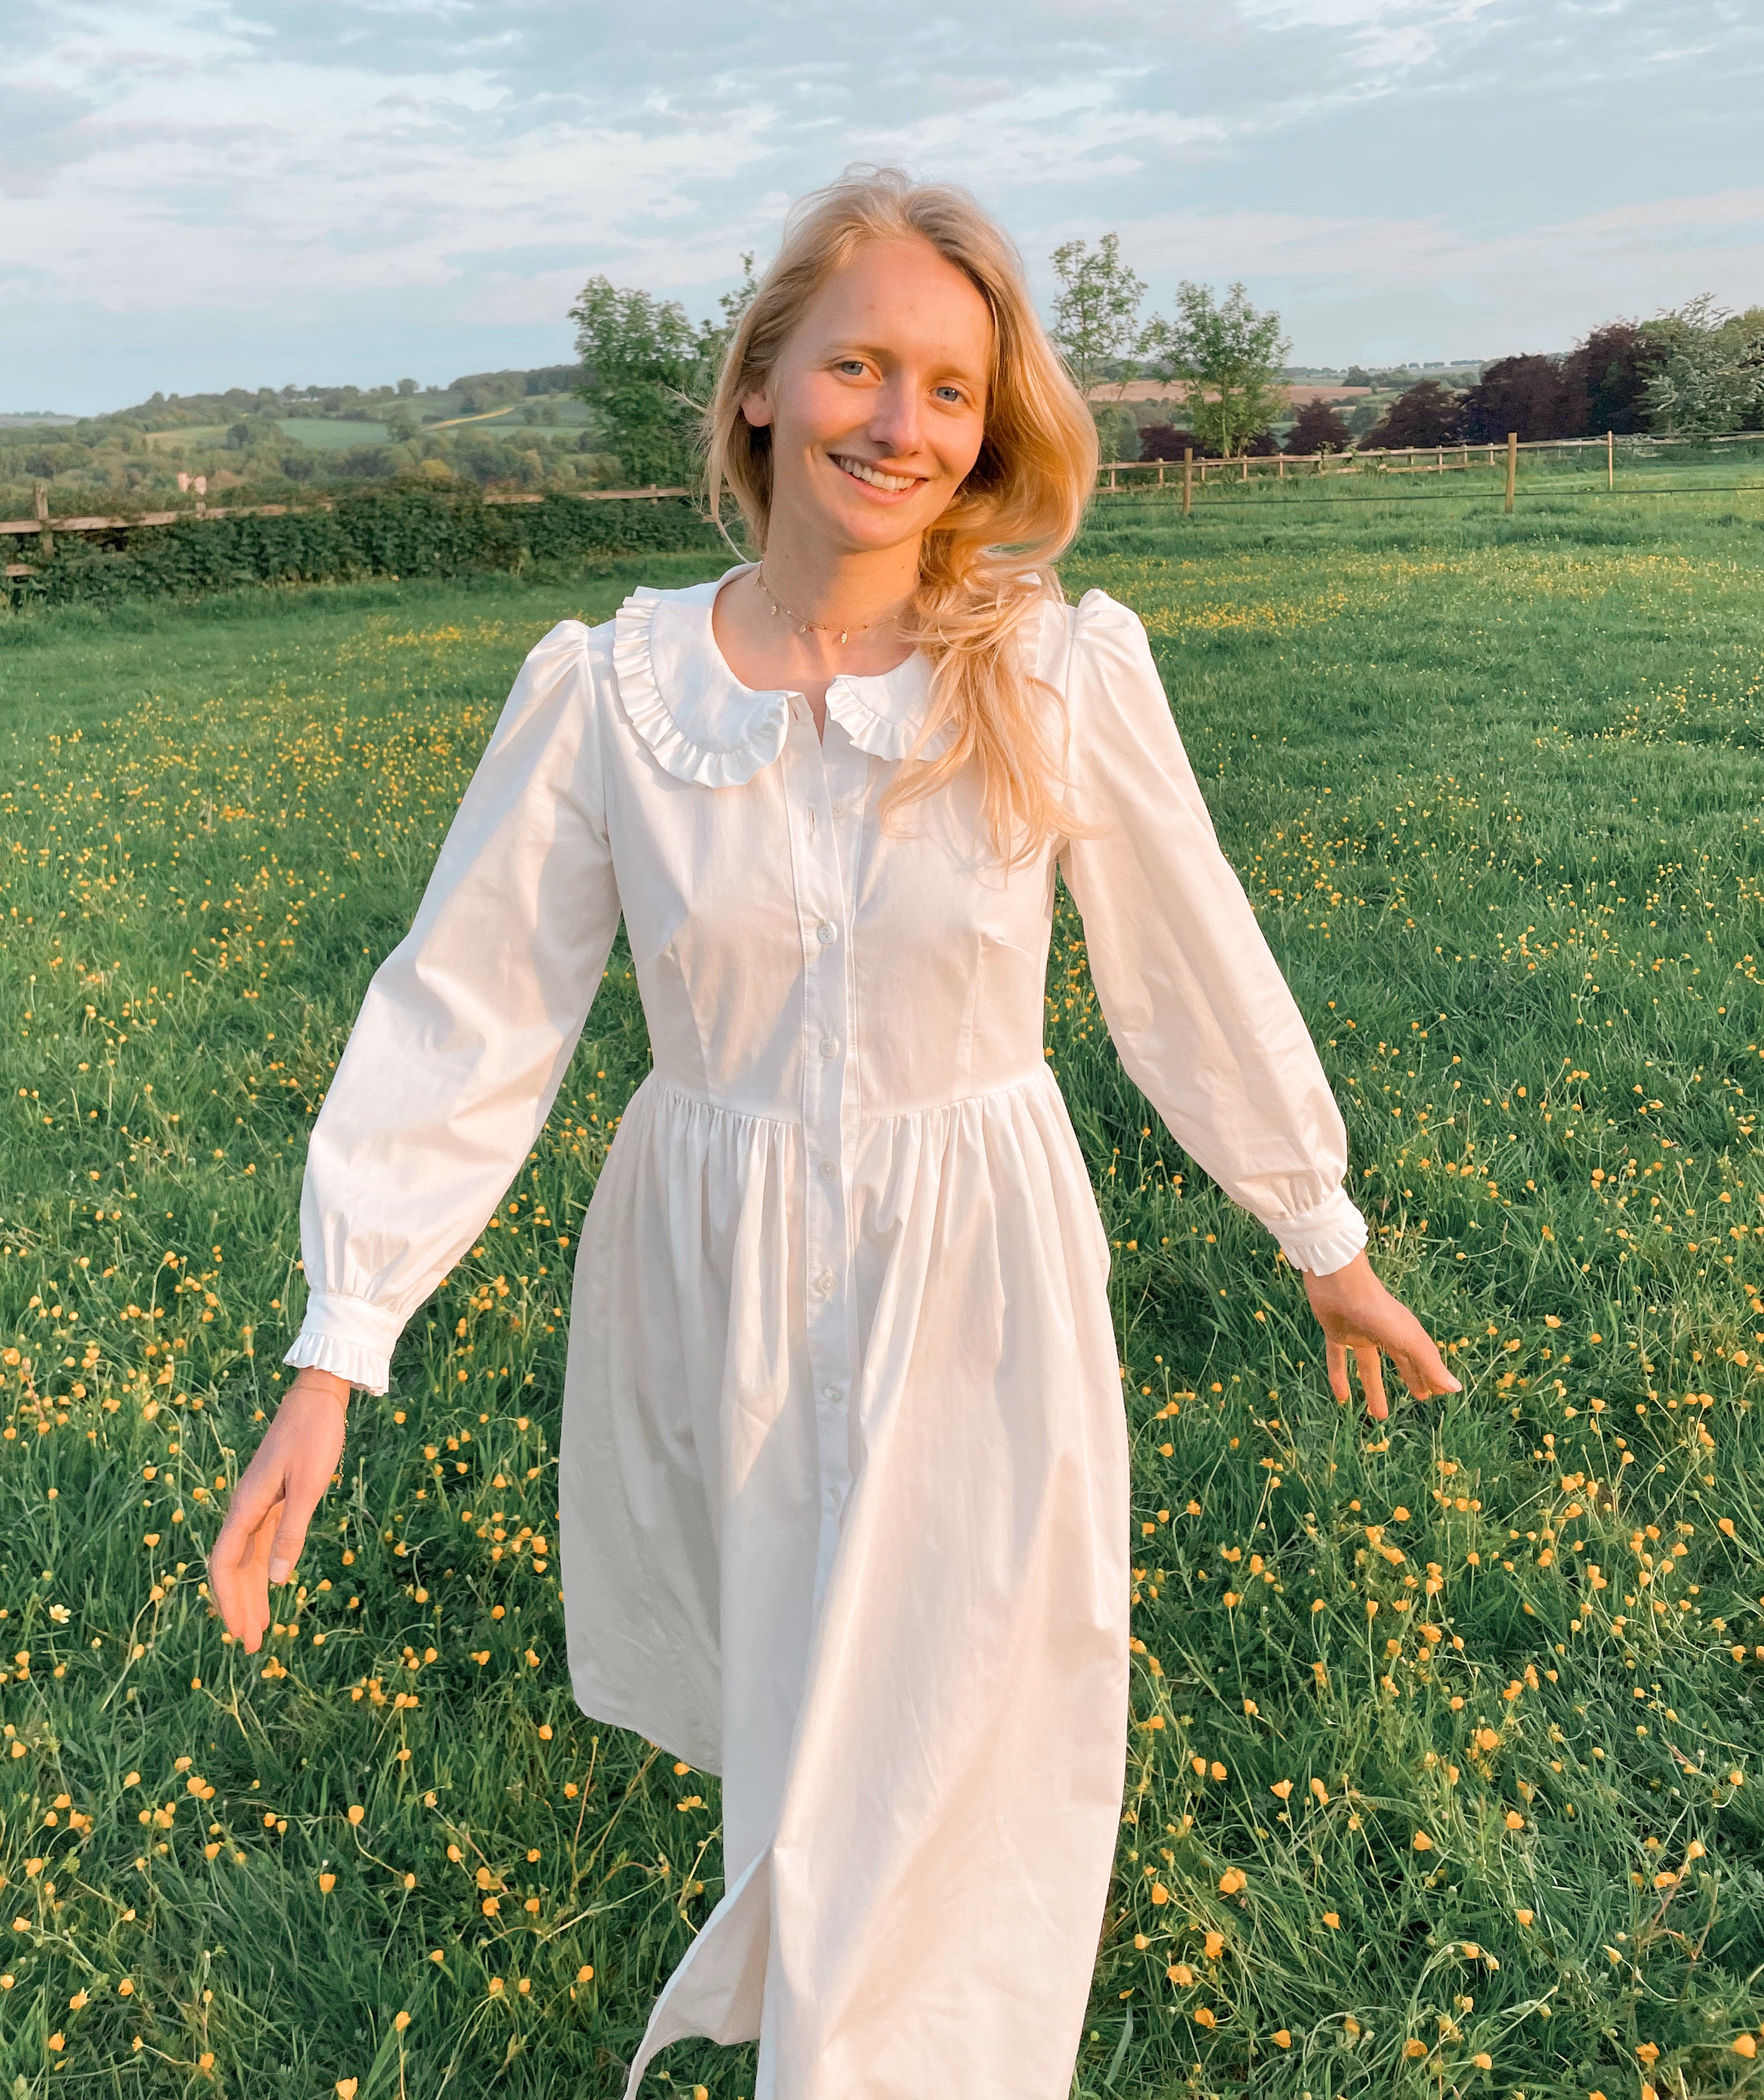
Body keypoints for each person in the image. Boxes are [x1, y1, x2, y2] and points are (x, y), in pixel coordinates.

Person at [208, 170, 1459, 2098]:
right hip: (717, 1286)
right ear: (764, 389)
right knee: (808, 1765)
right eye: (860, 366)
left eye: (950, 389)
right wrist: (336, 1348)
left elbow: (1193, 965)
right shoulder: (614, 691)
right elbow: (466, 1018)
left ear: (988, 426)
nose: (902, 423)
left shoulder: (1049, 671)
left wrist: (1323, 1234)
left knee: (970, 1754)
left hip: (982, 1274)